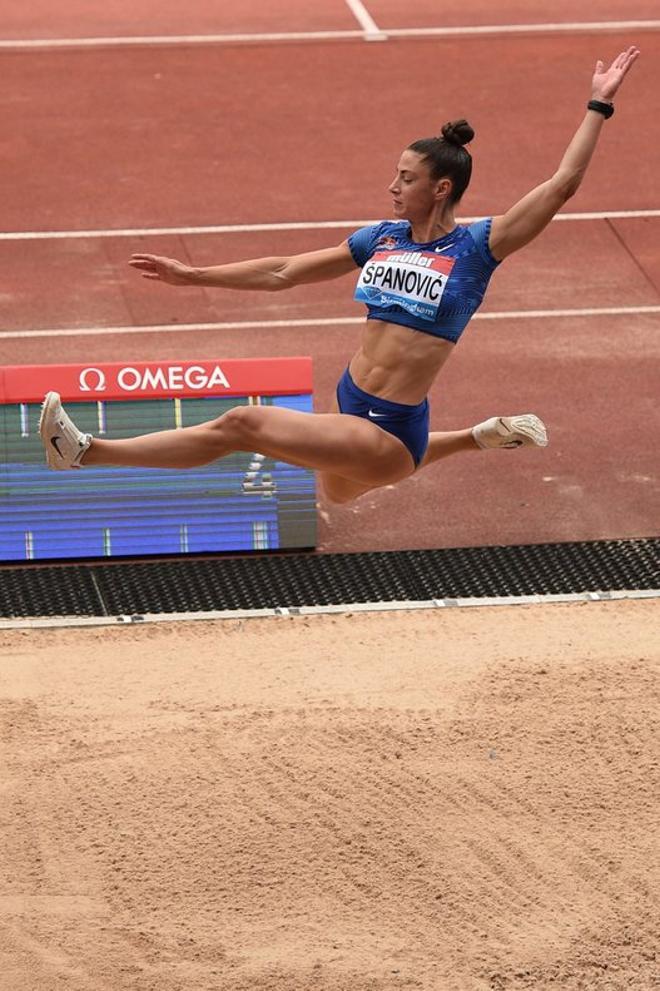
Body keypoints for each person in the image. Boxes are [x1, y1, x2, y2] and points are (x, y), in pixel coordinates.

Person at [39, 47, 639, 505]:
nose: (393, 186)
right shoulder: (383, 237)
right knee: (335, 494)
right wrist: (192, 276)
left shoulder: (479, 246)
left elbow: (560, 185)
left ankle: (86, 452)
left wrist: (599, 104)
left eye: (406, 177)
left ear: (442, 187)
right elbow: (282, 271)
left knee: (242, 423)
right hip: (349, 399)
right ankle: (474, 437)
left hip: (392, 428)